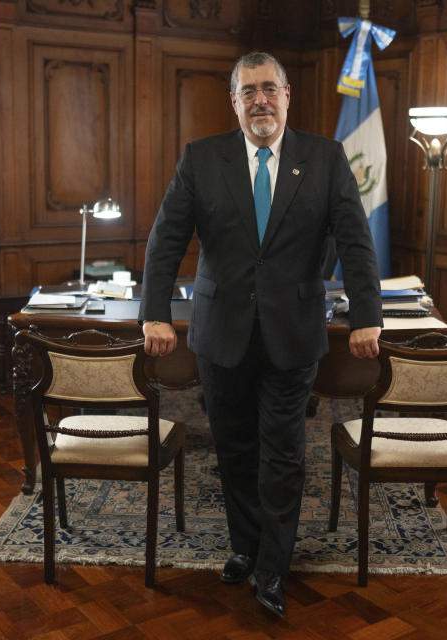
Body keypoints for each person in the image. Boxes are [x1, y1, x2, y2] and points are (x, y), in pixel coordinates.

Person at [139, 51, 382, 618]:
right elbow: (165, 240)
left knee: (284, 452)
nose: (260, 100)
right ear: (234, 102)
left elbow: (354, 239)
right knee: (235, 449)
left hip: (292, 335)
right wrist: (154, 313)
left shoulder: (324, 157)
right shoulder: (202, 159)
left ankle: (273, 566)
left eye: (269, 88)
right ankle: (246, 548)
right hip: (219, 334)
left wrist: (368, 315)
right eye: (248, 91)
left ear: (287, 94)